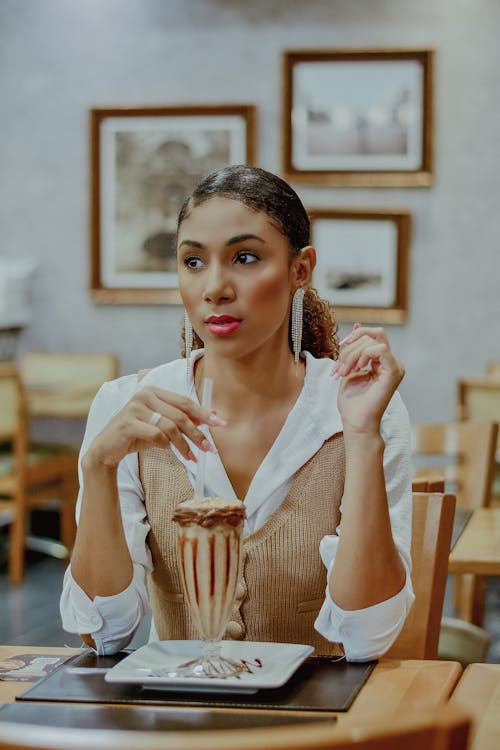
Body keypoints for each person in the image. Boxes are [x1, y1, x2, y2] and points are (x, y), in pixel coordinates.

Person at [61, 165, 414, 660]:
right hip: (179, 727)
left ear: (300, 270)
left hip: (317, 724)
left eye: (245, 257)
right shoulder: (126, 407)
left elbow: (367, 635)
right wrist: (97, 468)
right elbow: (103, 635)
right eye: (193, 262)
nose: (215, 287)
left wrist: (361, 437)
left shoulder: (358, 407)